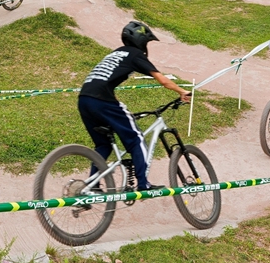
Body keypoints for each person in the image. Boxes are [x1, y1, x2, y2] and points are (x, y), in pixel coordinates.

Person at [77, 21, 191, 192]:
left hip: (84, 99)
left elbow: (105, 82)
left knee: (103, 145)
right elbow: (163, 80)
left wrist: (115, 107)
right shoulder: (135, 54)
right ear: (141, 41)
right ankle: (143, 184)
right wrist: (182, 91)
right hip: (102, 101)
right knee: (136, 139)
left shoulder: (115, 54)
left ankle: (93, 186)